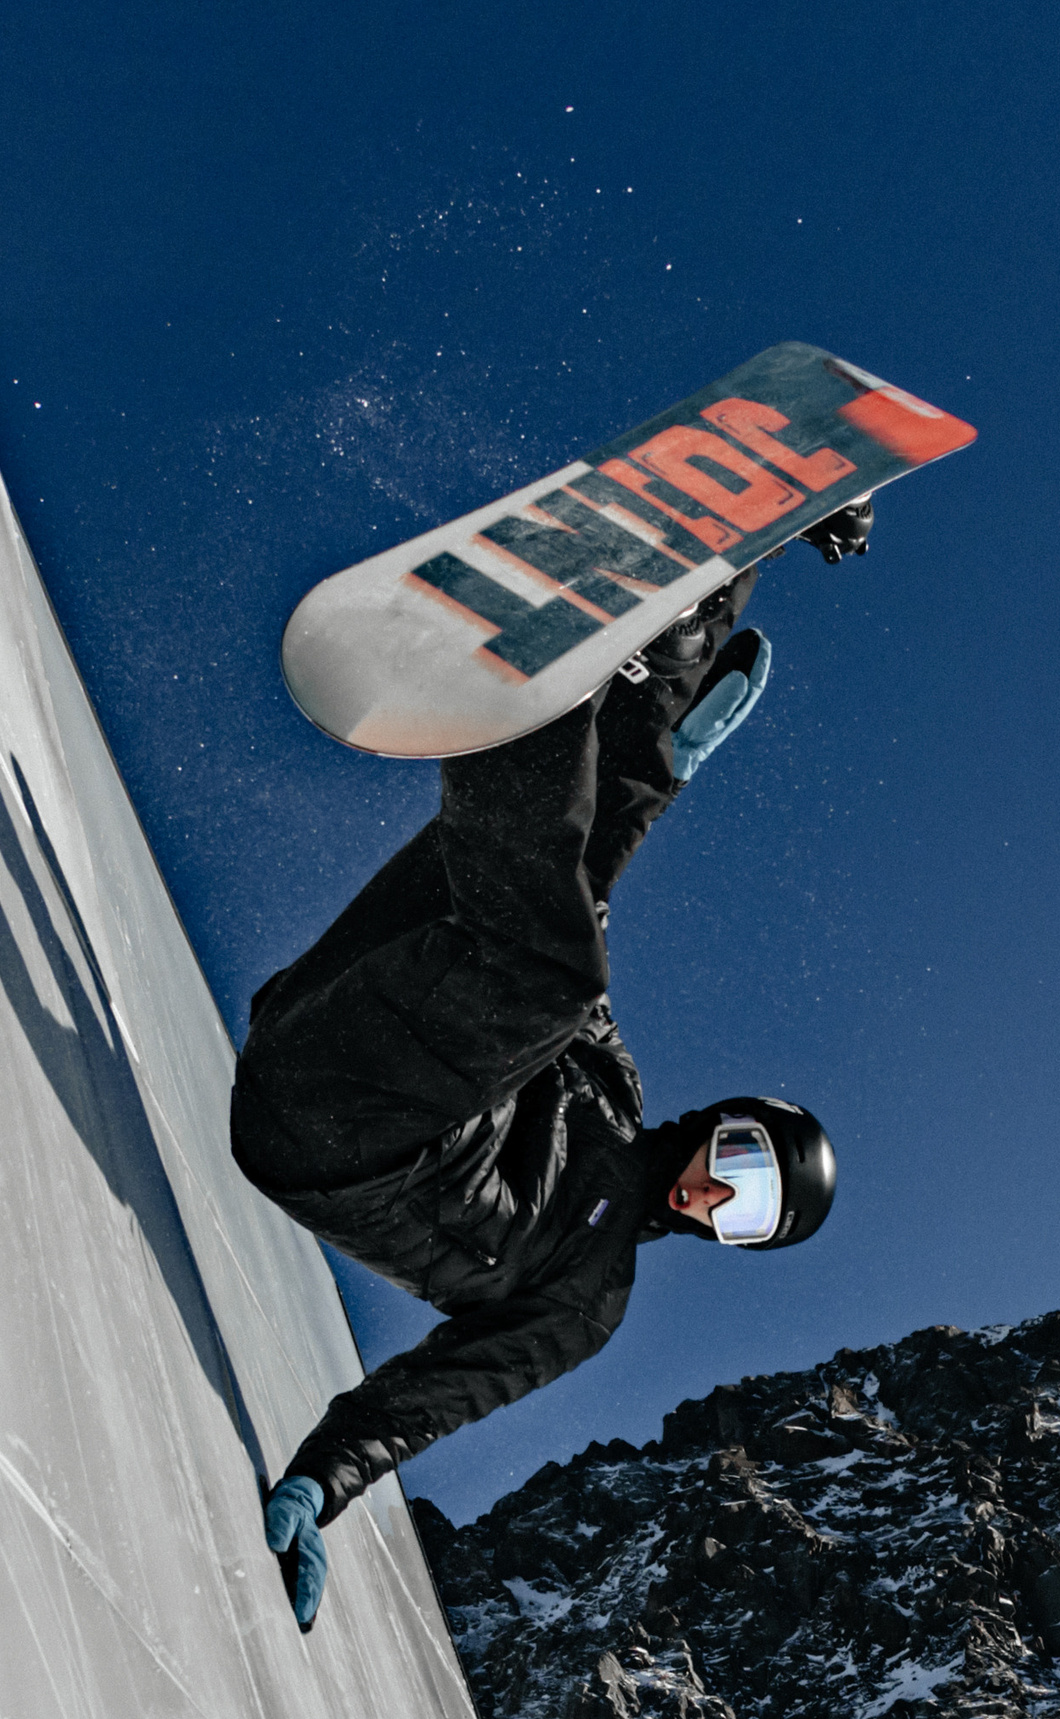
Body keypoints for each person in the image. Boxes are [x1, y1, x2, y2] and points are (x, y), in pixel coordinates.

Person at [232, 513, 868, 1629]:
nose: (715, 1194)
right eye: (741, 1163)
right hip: (324, 1017)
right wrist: (663, 736)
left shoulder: (589, 1302)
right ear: (722, 1123)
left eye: (744, 1214)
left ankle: (529, 693)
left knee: (548, 963)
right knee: (567, 890)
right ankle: (645, 641)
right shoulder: (609, 1088)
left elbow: (435, 1396)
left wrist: (321, 1480)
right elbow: (585, 888)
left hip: (339, 1140)